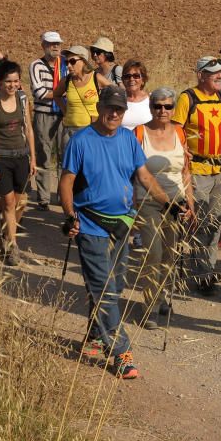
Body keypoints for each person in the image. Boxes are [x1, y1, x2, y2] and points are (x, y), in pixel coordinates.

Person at [60, 86, 176, 380]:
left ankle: (94, 337)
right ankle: (121, 352)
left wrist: (170, 204)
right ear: (99, 107)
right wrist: (69, 215)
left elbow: (144, 175)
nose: (114, 114)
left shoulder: (127, 139)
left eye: (119, 109)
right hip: (90, 223)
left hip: (122, 223)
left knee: (116, 283)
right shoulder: (81, 140)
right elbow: (66, 182)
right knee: (104, 289)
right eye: (109, 108)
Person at [172, 56, 221, 295]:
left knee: (214, 224)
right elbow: (176, 128)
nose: (220, 76)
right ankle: (199, 274)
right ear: (201, 75)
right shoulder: (187, 98)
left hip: (219, 170)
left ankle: (206, 270)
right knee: (197, 223)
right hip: (196, 170)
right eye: (214, 73)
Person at [132, 87, 195, 329]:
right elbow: (133, 172)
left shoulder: (180, 132)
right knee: (153, 254)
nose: (163, 110)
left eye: (168, 106)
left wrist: (190, 202)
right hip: (148, 202)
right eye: (157, 106)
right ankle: (149, 307)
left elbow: (185, 170)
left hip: (176, 203)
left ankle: (162, 297)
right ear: (150, 108)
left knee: (170, 254)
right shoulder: (140, 133)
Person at [0, 61, 37, 266]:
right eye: (8, 81)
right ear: (0, 82)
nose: (12, 85)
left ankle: (6, 231)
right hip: (0, 157)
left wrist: (33, 159)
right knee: (10, 201)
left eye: (15, 81)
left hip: (21, 156)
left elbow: (29, 129)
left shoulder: (23, 99)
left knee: (21, 202)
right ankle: (12, 245)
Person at [53, 45, 111, 161]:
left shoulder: (96, 78)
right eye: (67, 62)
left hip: (91, 132)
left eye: (73, 61)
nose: (69, 65)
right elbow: (56, 95)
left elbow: (114, 93)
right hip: (69, 132)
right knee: (69, 168)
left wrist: (105, 116)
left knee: (90, 167)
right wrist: (65, 111)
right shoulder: (66, 80)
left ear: (83, 61)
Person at [28, 31, 64, 211]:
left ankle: (62, 195)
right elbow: (40, 93)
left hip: (64, 115)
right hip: (44, 114)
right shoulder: (36, 65)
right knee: (43, 154)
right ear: (43, 45)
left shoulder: (65, 65)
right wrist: (62, 95)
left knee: (64, 156)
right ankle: (43, 198)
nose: (55, 47)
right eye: (51, 44)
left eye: (57, 43)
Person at [120, 59, 152, 130]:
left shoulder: (152, 99)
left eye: (136, 76)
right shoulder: (117, 99)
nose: (131, 79)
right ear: (123, 80)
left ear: (143, 80)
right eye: (127, 76)